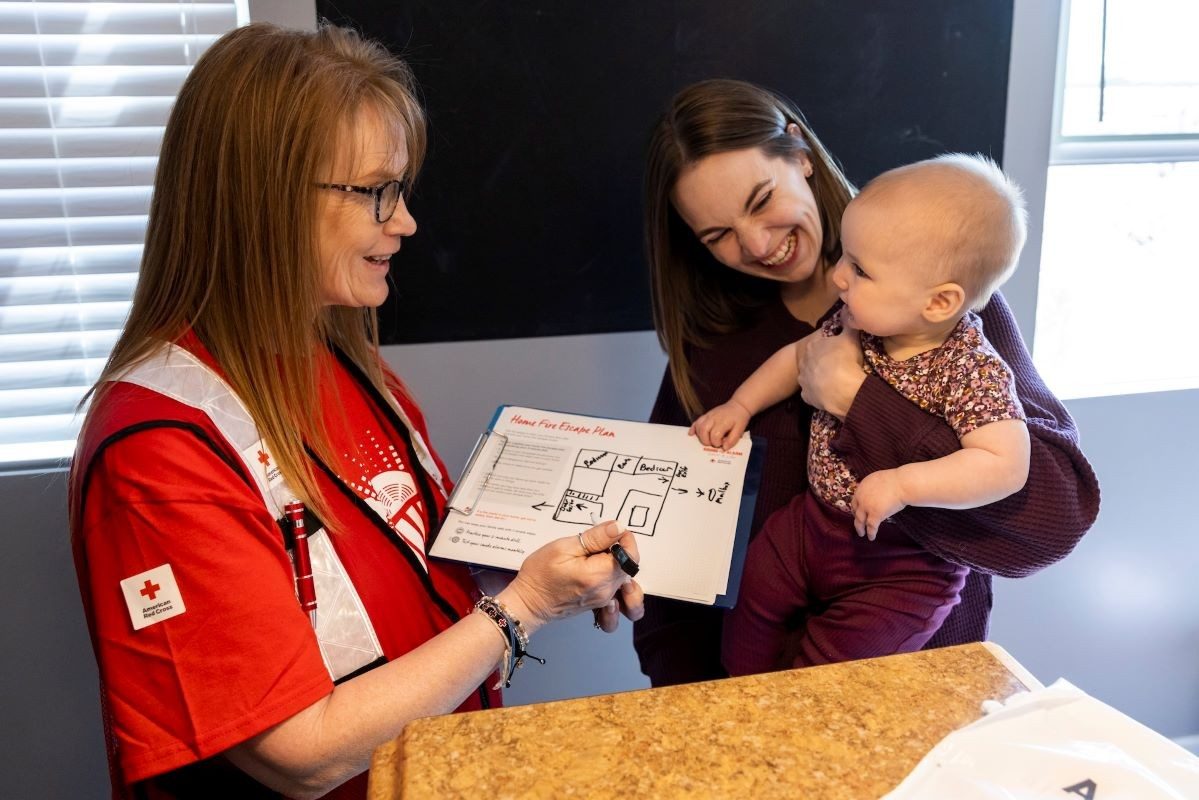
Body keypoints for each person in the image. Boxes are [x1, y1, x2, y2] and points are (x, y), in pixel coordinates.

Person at [69, 22, 643, 800]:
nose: (404, 222)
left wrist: (554, 573)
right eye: (376, 191)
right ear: (263, 200)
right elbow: (298, 754)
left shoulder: (343, 358)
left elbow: (405, 572)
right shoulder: (158, 451)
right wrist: (525, 606)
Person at [633, 78, 1100, 686]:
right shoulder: (712, 343)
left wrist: (858, 400)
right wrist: (683, 695)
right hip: (743, 700)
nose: (756, 244)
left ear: (800, 156)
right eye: (717, 235)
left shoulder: (947, 308)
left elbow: (1052, 521)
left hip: (913, 692)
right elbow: (668, 554)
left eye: (760, 200)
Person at [692, 154, 1032, 673]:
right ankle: (743, 693)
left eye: (860, 269)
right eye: (846, 259)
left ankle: (793, 704)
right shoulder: (859, 324)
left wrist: (902, 485)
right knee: (752, 600)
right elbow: (795, 360)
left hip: (902, 563)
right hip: (810, 525)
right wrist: (741, 404)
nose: (838, 276)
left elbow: (1004, 464)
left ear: (939, 302)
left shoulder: (971, 369)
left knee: (832, 671)